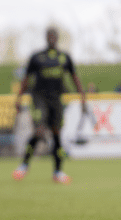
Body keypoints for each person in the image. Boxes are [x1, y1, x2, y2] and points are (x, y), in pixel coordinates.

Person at [12, 27, 86, 184]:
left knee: (56, 134)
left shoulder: (64, 57)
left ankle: (58, 172)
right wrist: (18, 99)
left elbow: (74, 77)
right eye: (49, 36)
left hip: (57, 100)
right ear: (46, 37)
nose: (52, 38)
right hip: (39, 98)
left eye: (54, 36)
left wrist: (83, 98)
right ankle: (24, 166)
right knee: (39, 131)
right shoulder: (37, 57)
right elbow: (26, 79)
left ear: (57, 38)